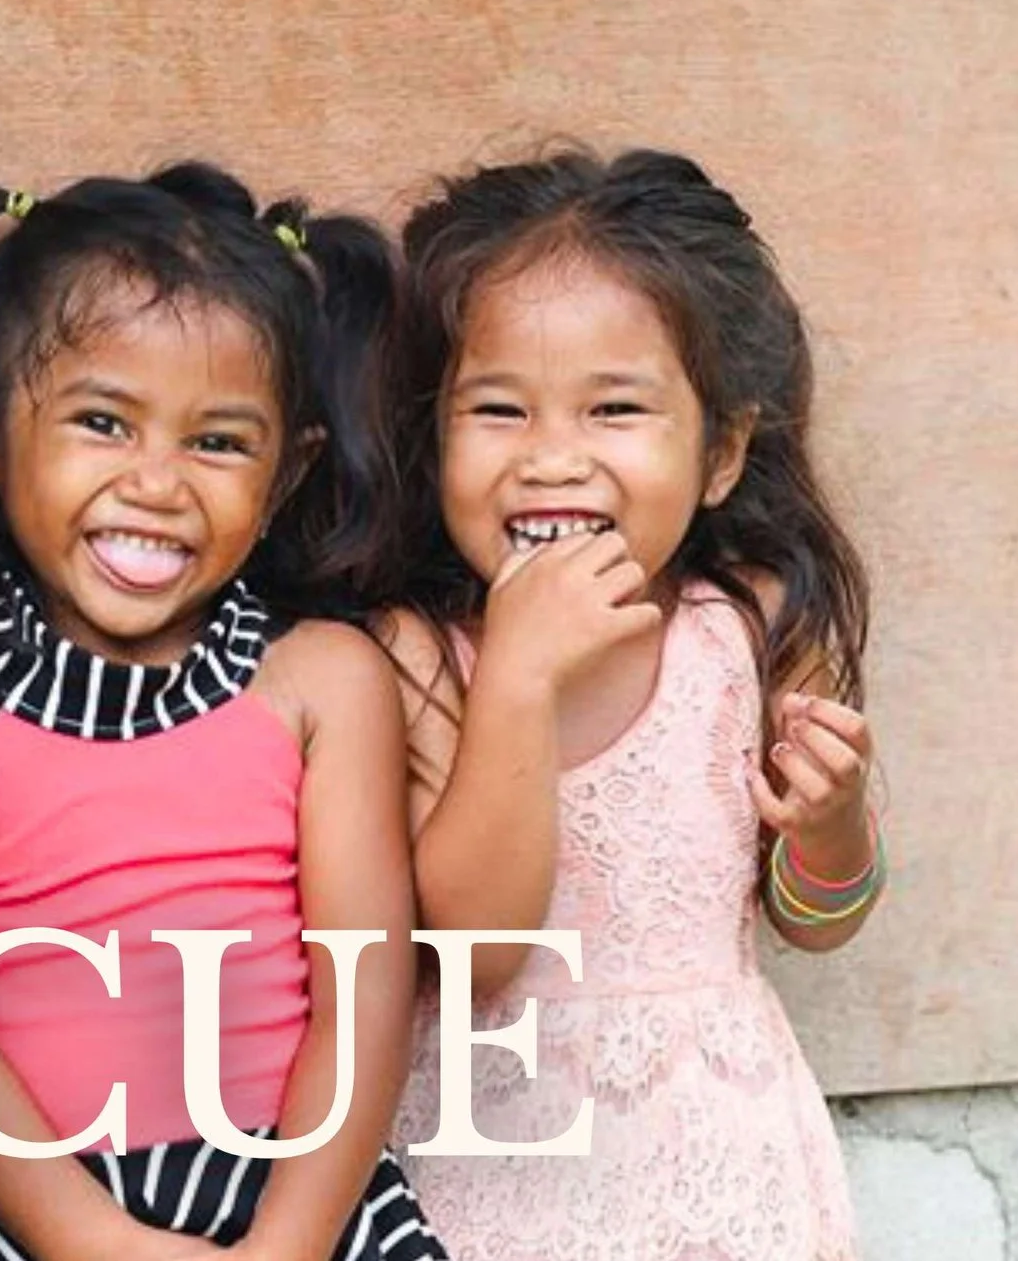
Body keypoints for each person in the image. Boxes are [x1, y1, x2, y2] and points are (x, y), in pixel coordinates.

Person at [0, 164, 446, 1260]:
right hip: (37, 1216)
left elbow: (363, 997)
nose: (158, 481)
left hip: (302, 1202)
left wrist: (290, 1244)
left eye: (217, 441)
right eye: (102, 421)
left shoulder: (322, 682)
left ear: (282, 477)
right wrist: (98, 1243)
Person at [373, 148, 878, 1260]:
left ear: (720, 453)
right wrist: (514, 675)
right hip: (496, 1180)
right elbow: (474, 951)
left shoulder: (749, 627)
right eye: (497, 408)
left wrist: (832, 824)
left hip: (727, 1176)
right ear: (433, 431)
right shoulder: (419, 658)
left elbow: (819, 917)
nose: (552, 458)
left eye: (614, 409)